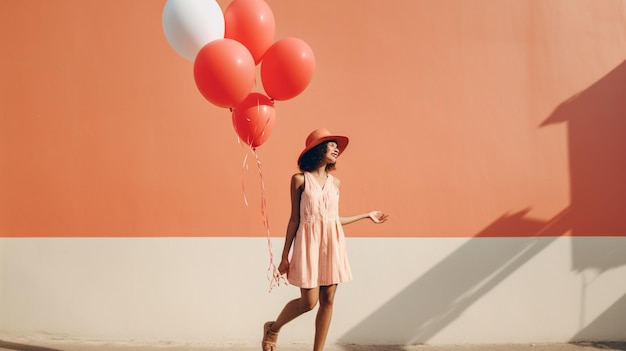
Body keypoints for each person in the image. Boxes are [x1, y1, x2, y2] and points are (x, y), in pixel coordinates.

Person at [262, 128, 388, 351]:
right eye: (332, 145)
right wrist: (284, 255)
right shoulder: (300, 180)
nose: (337, 149)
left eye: (336, 146)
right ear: (318, 149)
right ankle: (273, 328)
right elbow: (294, 219)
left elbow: (332, 219)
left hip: (332, 244)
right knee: (308, 304)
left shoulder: (335, 183)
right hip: (308, 243)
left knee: (328, 300)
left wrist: (366, 215)